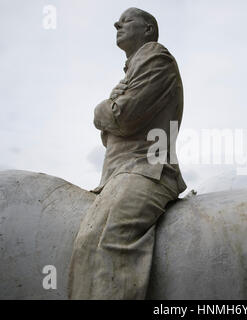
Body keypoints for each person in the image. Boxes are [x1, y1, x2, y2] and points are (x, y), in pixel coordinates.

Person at [68, 7, 186, 299]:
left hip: (146, 170)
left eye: (127, 20)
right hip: (123, 173)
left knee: (112, 242)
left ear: (148, 29)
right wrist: (112, 115)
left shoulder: (155, 57)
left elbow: (122, 118)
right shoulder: (133, 70)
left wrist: (101, 110)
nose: (116, 23)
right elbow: (111, 135)